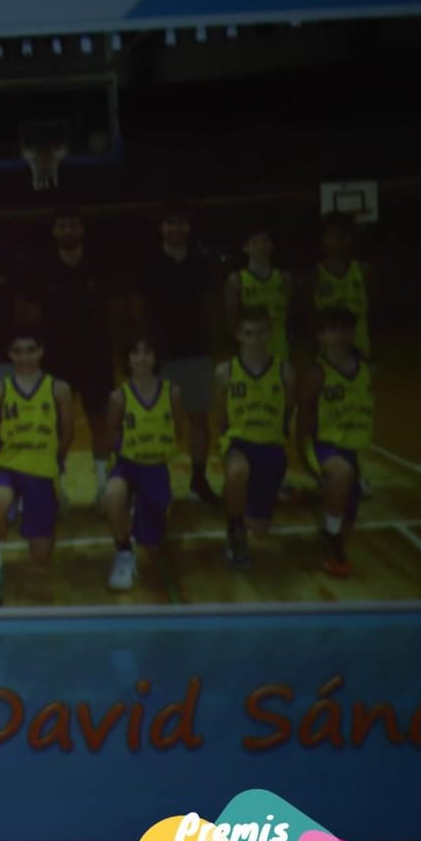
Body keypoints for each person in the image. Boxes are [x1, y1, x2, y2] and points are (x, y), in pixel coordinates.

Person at [20, 208, 115, 502]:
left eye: (72, 223)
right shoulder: (44, 267)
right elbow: (33, 316)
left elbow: (114, 311)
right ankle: (54, 484)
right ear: (55, 231)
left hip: (96, 357)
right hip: (58, 359)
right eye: (62, 224)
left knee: (99, 420)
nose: (67, 230)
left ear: (81, 230)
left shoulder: (99, 264)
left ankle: (102, 485)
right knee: (57, 424)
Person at [0, 330, 74, 607]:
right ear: (10, 355)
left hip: (42, 471)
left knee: (41, 557)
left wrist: (56, 462)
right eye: (18, 351)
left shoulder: (59, 389)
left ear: (41, 351)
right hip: (9, 467)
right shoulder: (1, 389)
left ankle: (31, 506)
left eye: (30, 349)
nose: (24, 356)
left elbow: (66, 433)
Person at [135, 202, 222, 507]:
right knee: (158, 421)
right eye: (169, 223)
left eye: (181, 223)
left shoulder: (202, 261)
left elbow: (211, 306)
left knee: (199, 419)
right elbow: (142, 310)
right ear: (162, 228)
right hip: (162, 354)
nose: (175, 228)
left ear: (188, 227)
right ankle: (155, 480)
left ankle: (198, 479)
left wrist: (211, 345)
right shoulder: (149, 263)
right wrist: (145, 350)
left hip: (195, 350)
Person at [101, 334, 184, 592]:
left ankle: (142, 508)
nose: (142, 358)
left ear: (157, 357)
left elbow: (180, 429)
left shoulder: (172, 392)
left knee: (152, 548)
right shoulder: (119, 397)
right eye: (136, 353)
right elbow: (111, 433)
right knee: (112, 494)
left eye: (148, 352)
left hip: (156, 467)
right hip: (128, 466)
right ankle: (124, 552)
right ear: (127, 359)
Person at [213, 307, 294, 567]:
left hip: (270, 445)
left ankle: (249, 505)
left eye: (260, 333)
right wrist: (228, 441)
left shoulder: (285, 372)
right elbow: (219, 413)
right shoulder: (225, 371)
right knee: (237, 470)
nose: (255, 339)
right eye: (249, 333)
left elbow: (289, 410)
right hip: (239, 442)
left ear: (270, 333)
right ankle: (234, 531)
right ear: (239, 335)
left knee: (259, 530)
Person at [296, 304, 373, 577]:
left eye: (345, 330)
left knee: (346, 519)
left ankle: (330, 524)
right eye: (332, 331)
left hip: (352, 448)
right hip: (323, 445)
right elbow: (303, 417)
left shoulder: (365, 369)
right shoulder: (316, 373)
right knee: (341, 474)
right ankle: (333, 544)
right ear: (321, 336)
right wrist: (306, 457)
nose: (339, 336)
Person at [225, 223, 291, 365]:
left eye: (265, 241)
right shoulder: (236, 280)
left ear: (272, 245)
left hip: (280, 349)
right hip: (251, 351)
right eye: (255, 242)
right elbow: (231, 319)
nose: (261, 246)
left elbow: (291, 314)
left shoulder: (284, 277)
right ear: (245, 248)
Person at [312, 210, 373, 357]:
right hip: (327, 355)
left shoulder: (365, 271)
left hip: (360, 353)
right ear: (323, 239)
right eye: (333, 235)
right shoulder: (314, 274)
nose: (338, 240)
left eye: (343, 234)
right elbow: (310, 317)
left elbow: (374, 311)